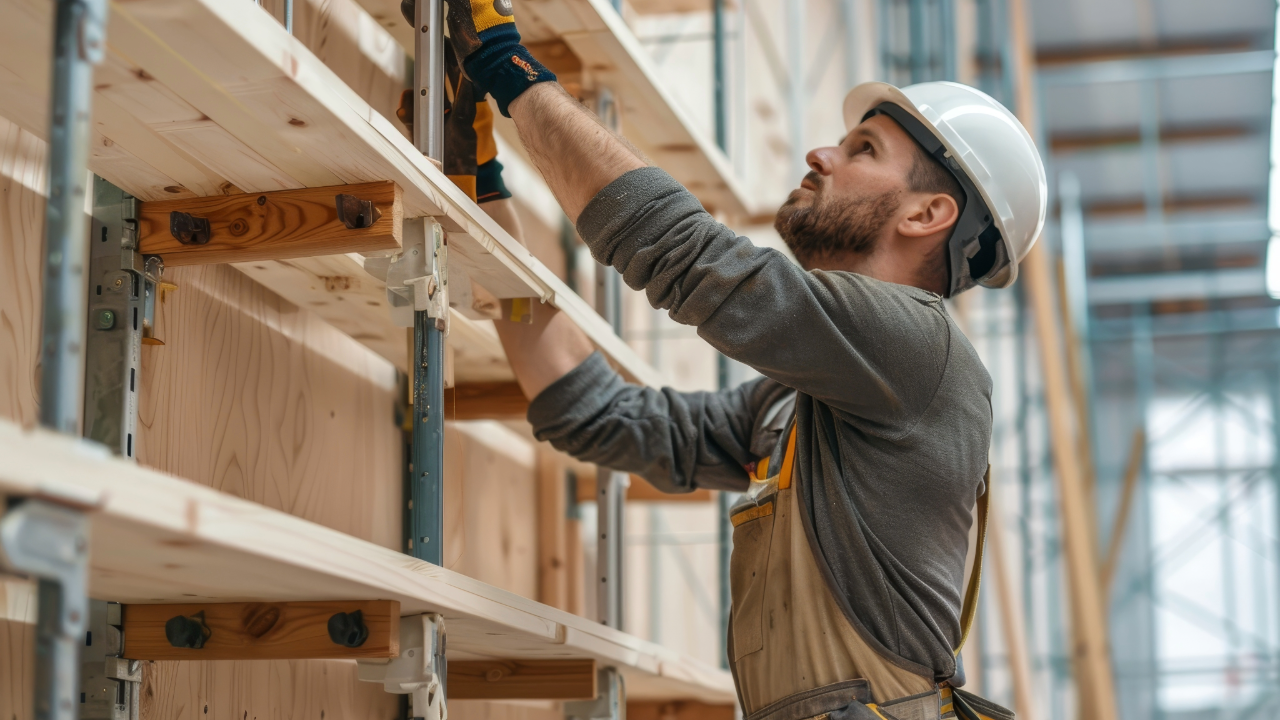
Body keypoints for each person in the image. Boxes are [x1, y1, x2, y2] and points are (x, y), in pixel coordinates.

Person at [414, 1, 1047, 717]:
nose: (822, 155)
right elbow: (600, 417)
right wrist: (488, 192)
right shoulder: (795, 407)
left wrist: (507, 64)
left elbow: (684, 253)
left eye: (864, 149)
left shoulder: (922, 353)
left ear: (927, 215)